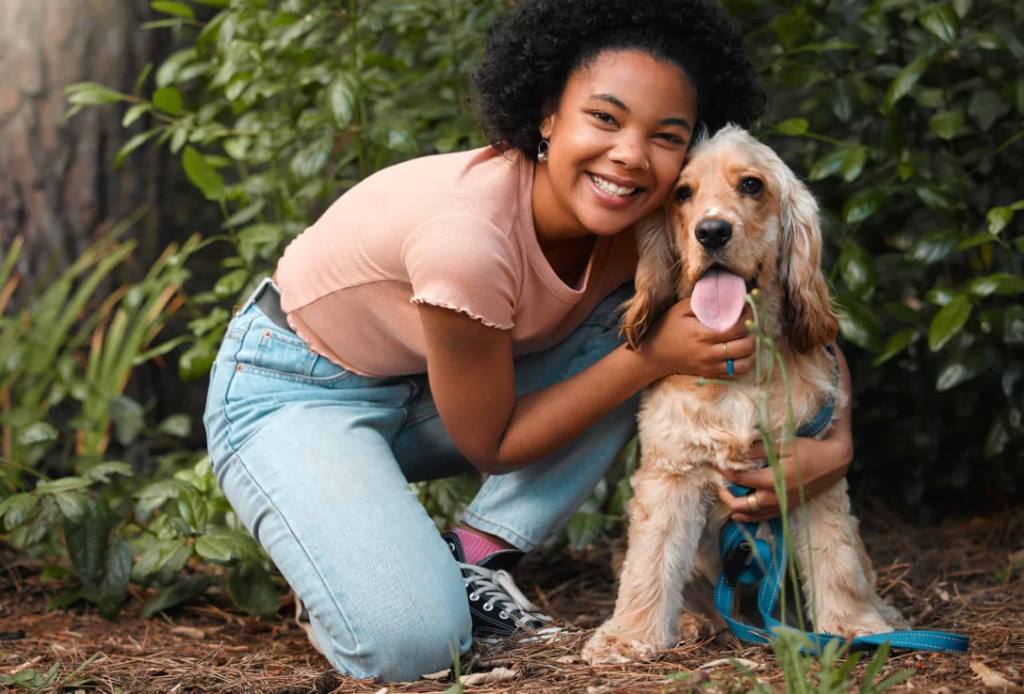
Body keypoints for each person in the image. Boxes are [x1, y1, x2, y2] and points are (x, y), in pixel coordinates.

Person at [203, 0, 855, 682]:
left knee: (659, 316)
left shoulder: (660, 217)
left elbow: (792, 311)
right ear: (547, 114)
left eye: (666, 135)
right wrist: (654, 356)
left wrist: (833, 444)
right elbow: (494, 444)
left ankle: (476, 555)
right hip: (295, 388)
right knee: (412, 644)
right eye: (604, 118)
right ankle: (346, 569)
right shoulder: (468, 242)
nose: (629, 156)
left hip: (439, 388)